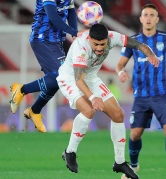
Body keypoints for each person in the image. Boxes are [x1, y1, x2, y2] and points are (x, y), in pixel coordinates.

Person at [57, 23, 159, 179]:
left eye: (102, 44)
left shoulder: (113, 38)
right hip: (70, 78)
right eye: (95, 44)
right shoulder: (81, 47)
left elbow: (137, 44)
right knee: (88, 110)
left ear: (108, 40)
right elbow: (78, 80)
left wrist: (150, 53)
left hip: (90, 77)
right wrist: (93, 97)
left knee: (118, 115)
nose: (99, 48)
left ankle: (119, 162)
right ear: (89, 39)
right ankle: (70, 152)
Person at [9, 0, 79, 133]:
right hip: (42, 39)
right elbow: (53, 17)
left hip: (57, 40)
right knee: (60, 76)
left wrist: (74, 32)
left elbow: (71, 11)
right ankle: (22, 90)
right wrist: (73, 32)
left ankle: (35, 110)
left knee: (58, 81)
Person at [116, 4, 166, 179]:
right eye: (145, 14)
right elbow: (120, 63)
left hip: (162, 95)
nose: (148, 17)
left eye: (151, 15)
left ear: (156, 19)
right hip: (141, 96)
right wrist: (120, 71)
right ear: (140, 19)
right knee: (135, 134)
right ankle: (134, 166)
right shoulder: (133, 41)